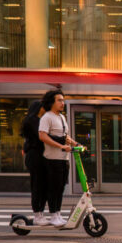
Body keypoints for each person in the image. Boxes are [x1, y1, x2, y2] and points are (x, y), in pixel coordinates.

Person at [38, 90, 80, 227]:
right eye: (59, 100)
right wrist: (61, 147)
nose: (62, 103)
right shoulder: (47, 117)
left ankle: (57, 214)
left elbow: (64, 137)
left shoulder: (62, 118)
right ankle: (53, 215)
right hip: (52, 159)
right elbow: (43, 136)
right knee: (54, 187)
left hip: (64, 158)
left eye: (63, 100)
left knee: (60, 187)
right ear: (51, 102)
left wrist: (76, 144)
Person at [21, 101, 49, 225]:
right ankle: (37, 214)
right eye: (43, 107)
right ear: (38, 108)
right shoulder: (33, 120)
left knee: (42, 185)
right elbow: (42, 137)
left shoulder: (38, 120)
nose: (45, 108)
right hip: (35, 157)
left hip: (39, 157)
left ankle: (40, 213)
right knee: (38, 185)